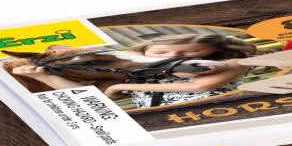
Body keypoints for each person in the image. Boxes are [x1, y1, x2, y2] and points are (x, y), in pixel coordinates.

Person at [101, 32, 256, 108]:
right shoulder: (139, 69)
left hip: (210, 111)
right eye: (160, 52)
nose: (173, 56)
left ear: (215, 49)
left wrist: (120, 86)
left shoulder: (234, 62)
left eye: (190, 51)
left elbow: (198, 86)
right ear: (144, 52)